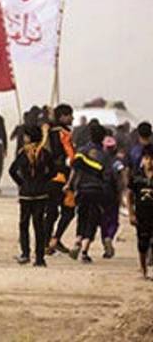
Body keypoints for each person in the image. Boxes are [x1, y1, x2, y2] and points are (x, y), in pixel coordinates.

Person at [67, 123, 114, 263]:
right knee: (92, 220)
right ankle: (84, 252)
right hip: (97, 191)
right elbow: (107, 177)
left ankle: (77, 242)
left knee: (82, 217)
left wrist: (69, 185)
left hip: (82, 189)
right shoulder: (105, 155)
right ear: (103, 138)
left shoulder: (81, 151)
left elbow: (74, 170)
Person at [9, 125, 55, 266]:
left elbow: (12, 171)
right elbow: (53, 171)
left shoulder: (23, 153)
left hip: (26, 194)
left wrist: (22, 183)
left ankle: (25, 253)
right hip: (41, 193)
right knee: (38, 225)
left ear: (29, 137)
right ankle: (40, 258)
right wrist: (44, 181)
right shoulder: (45, 153)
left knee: (24, 224)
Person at [44, 104, 75, 255]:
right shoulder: (61, 133)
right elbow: (67, 155)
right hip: (61, 176)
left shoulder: (50, 131)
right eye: (70, 115)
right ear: (62, 117)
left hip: (51, 176)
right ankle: (54, 239)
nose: (72, 118)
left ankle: (49, 241)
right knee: (67, 211)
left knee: (53, 212)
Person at [127, 145, 153, 279]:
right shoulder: (136, 176)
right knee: (142, 244)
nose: (150, 162)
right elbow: (130, 195)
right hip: (142, 215)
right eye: (147, 158)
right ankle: (143, 270)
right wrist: (131, 213)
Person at [99, 135, 126, 259]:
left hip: (101, 192)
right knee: (113, 219)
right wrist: (122, 192)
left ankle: (105, 243)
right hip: (113, 193)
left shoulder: (99, 160)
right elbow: (122, 177)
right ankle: (110, 236)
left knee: (103, 220)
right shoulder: (117, 161)